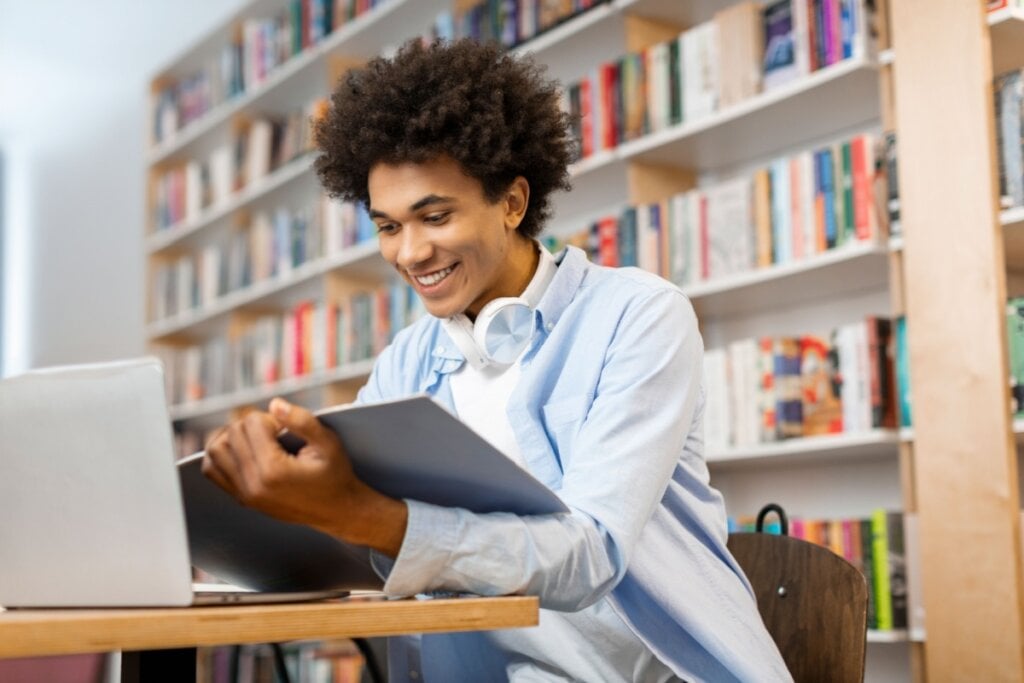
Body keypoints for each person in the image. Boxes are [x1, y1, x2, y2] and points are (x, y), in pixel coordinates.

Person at [203, 38, 791, 682]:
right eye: (389, 226)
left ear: (511, 202)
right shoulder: (409, 361)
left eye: (434, 216)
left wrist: (366, 516)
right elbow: (350, 542)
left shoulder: (639, 316)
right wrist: (274, 491)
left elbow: (590, 557)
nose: (410, 252)